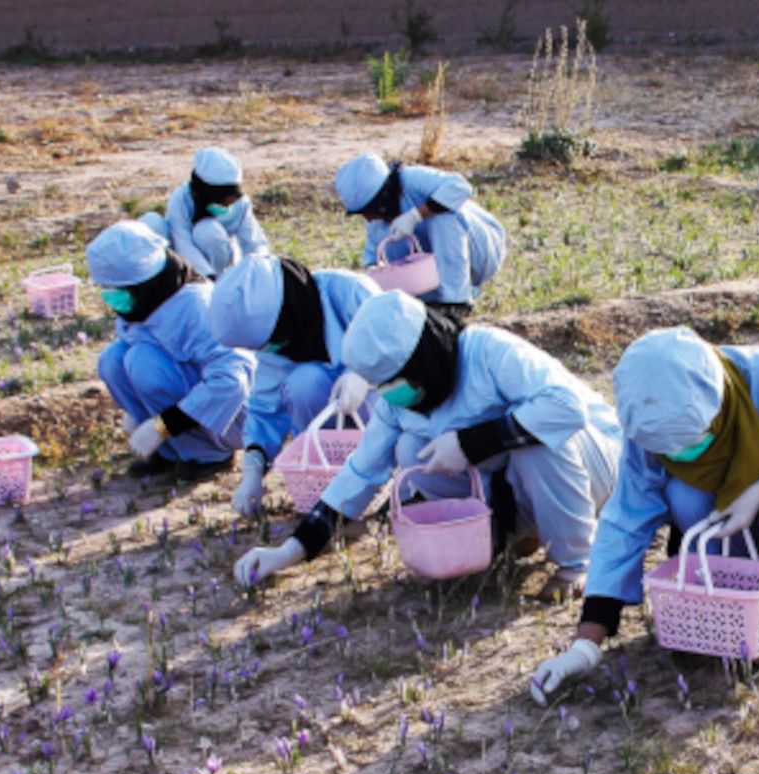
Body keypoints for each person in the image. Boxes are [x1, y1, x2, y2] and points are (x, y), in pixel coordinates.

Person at [529, 327, 759, 702]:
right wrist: (585, 645)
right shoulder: (646, 428)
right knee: (685, 493)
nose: (685, 456)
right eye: (672, 452)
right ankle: (728, 598)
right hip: (725, 519)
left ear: (715, 408)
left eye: (694, 440)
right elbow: (624, 524)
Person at [234, 291, 619, 595]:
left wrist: (473, 442)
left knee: (536, 444)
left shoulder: (489, 353)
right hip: (518, 480)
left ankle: (575, 563)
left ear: (424, 357)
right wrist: (290, 550)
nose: (388, 394)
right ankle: (517, 531)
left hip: (594, 463)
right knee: (409, 451)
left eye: (394, 381)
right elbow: (361, 471)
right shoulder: (398, 404)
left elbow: (566, 409)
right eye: (381, 386)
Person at [208, 254, 382, 516]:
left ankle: (375, 471)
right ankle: (331, 476)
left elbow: (399, 343)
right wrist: (253, 470)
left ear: (288, 310)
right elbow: (265, 410)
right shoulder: (276, 344)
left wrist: (364, 374)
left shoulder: (349, 292)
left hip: (382, 406)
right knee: (304, 382)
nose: (274, 349)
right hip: (330, 430)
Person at [86, 221, 258, 479]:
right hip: (187, 393)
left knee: (142, 362)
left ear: (141, 282)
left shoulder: (197, 307)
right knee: (112, 359)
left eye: (117, 290)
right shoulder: (145, 299)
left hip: (233, 416)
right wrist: (140, 413)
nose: (111, 298)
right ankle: (168, 452)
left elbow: (232, 381)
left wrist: (163, 425)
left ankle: (208, 455)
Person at [334, 153, 506, 317]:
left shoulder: (412, 179)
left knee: (442, 214)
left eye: (367, 211)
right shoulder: (377, 222)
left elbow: (460, 187)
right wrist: (375, 270)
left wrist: (416, 215)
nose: (368, 218)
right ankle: (436, 303)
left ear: (381, 198)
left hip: (482, 249)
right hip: (439, 275)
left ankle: (456, 302)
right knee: (390, 246)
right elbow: (372, 257)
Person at [139, 147, 269, 279]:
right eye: (225, 199)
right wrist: (205, 274)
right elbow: (182, 242)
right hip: (181, 264)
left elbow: (254, 243)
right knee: (151, 223)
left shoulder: (241, 204)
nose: (229, 204)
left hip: (219, 267)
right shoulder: (181, 198)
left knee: (206, 230)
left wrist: (260, 271)